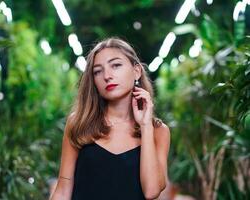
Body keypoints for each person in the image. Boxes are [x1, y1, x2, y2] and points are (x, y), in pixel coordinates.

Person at [50, 37, 171, 200]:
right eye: (97, 71)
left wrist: (145, 125)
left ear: (136, 71)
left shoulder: (158, 131)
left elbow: (151, 192)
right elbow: (63, 190)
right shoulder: (80, 124)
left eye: (116, 65)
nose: (107, 76)